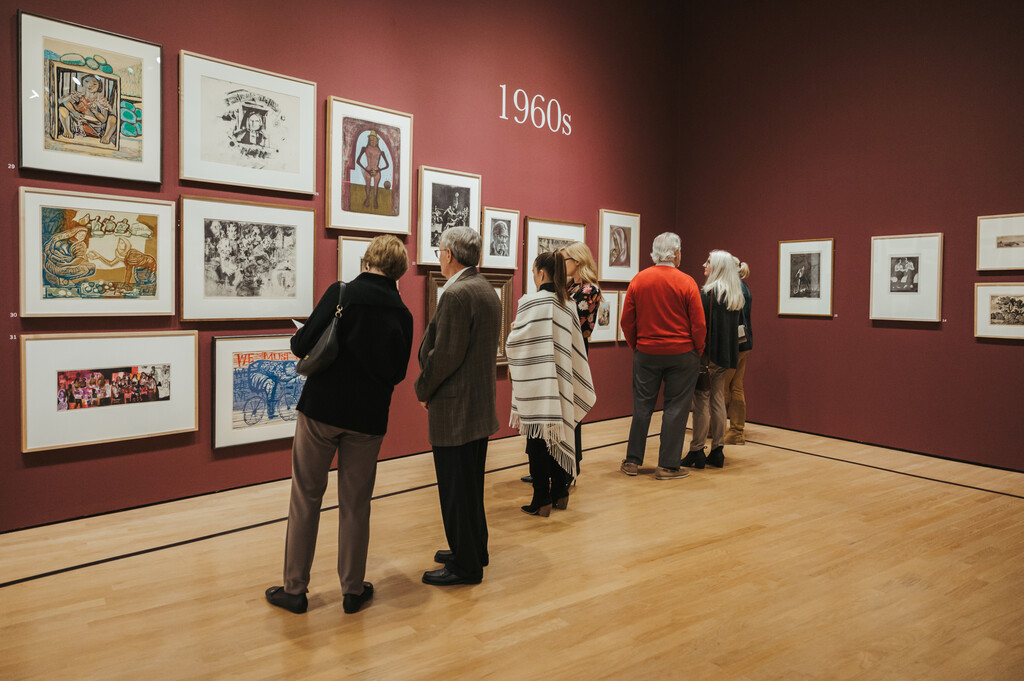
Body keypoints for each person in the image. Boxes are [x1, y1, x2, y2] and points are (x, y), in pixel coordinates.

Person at [265, 235, 414, 615]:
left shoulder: (342, 293)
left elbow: (301, 346)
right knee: (356, 505)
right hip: (368, 419)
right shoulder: (403, 313)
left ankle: (295, 589)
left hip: (321, 411)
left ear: (368, 260)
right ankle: (352, 589)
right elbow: (397, 373)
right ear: (397, 271)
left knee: (306, 497)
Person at [415, 226, 502, 586]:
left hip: (454, 407)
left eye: (439, 251)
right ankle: (472, 547)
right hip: (478, 405)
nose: (439, 256)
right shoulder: (486, 290)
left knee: (455, 489)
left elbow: (445, 356)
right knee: (470, 485)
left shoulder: (456, 294)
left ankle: (466, 566)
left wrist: (423, 389)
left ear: (449, 254)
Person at [507, 251, 596, 516]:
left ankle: (541, 499)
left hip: (536, 384)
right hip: (560, 384)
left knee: (537, 439)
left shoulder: (529, 302)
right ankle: (560, 492)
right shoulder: (567, 304)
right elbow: (574, 349)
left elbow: (516, 343)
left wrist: (514, 331)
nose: (533, 277)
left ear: (541, 273)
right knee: (560, 433)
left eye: (534, 272)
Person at [619, 232, 706, 479]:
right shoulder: (687, 282)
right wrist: (697, 350)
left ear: (654, 253)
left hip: (646, 353)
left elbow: (627, 321)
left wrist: (637, 346)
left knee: (642, 407)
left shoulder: (639, 280)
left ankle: (632, 462)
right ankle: (667, 466)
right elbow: (698, 324)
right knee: (676, 409)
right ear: (676, 253)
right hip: (682, 354)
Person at [683, 250, 745, 469]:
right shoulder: (735, 294)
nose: (704, 264)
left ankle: (697, 449)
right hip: (725, 355)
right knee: (718, 398)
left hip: (707, 356)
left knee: (701, 402)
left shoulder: (708, 293)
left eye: (708, 261)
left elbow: (700, 326)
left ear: (717, 266)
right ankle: (717, 450)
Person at [724, 257, 753, 445]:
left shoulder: (733, 287)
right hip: (744, 343)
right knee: (736, 386)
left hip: (732, 345)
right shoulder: (743, 286)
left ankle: (718, 429)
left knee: (722, 388)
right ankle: (736, 431)